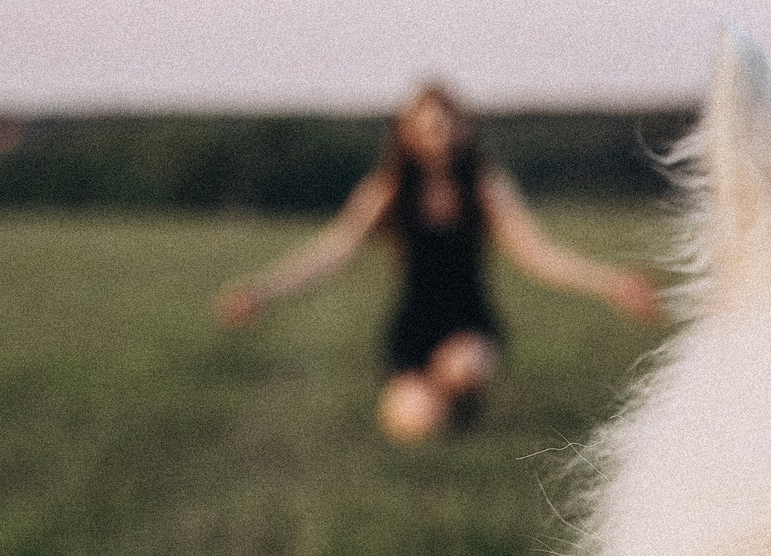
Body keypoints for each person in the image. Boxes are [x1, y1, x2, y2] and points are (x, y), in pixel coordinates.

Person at [215, 82, 665, 442]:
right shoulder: (387, 190)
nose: (441, 136)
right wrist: (263, 290)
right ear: (408, 133)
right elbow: (332, 253)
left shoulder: (485, 186)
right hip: (412, 328)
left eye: (449, 125)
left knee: (463, 368)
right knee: (411, 430)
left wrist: (612, 284)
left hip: (470, 322)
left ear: (463, 130)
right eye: (429, 127)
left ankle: (456, 395)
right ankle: (434, 403)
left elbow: (538, 255)